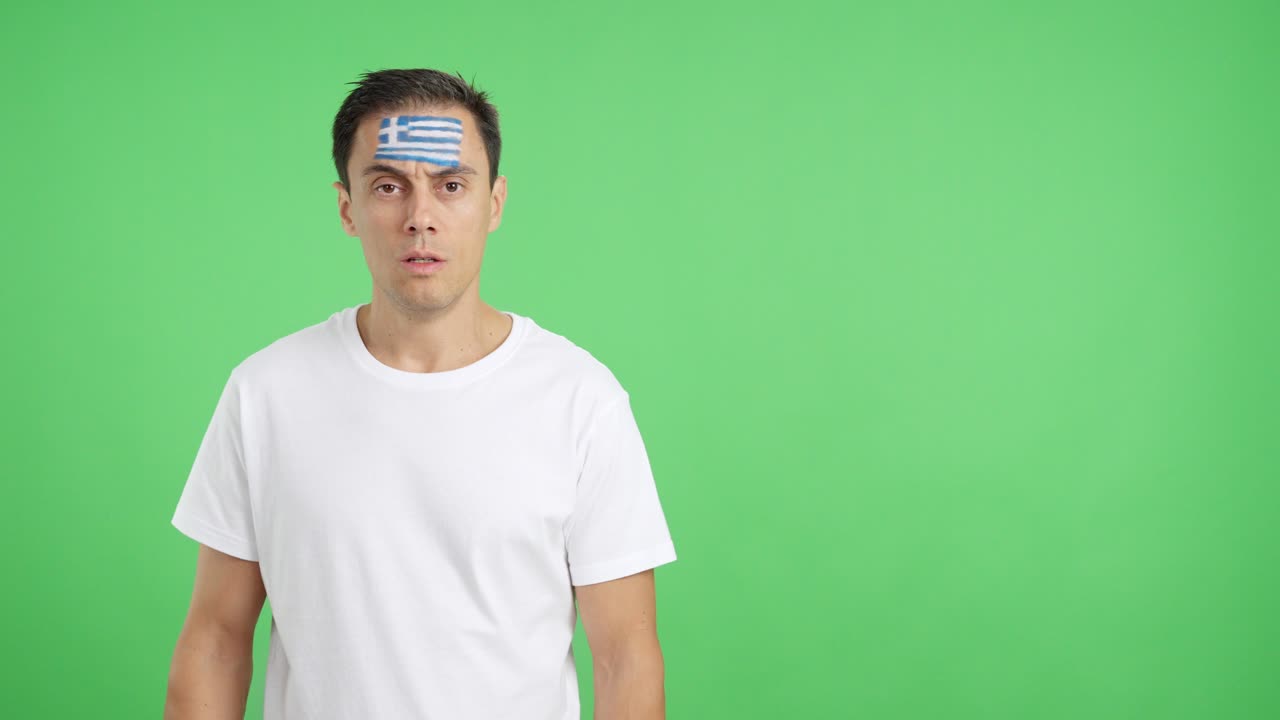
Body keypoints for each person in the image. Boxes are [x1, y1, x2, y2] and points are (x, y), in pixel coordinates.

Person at [164, 68, 677, 719]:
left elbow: (625, 658)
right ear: (348, 207)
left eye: (451, 186)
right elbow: (216, 640)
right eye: (388, 187)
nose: (420, 218)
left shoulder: (581, 401)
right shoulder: (266, 393)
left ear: (494, 202)